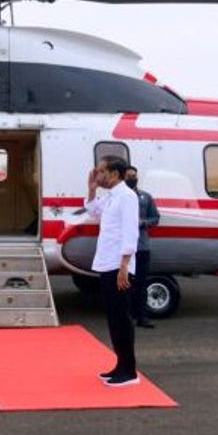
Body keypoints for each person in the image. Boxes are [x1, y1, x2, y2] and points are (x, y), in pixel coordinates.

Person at [85, 155, 140, 387]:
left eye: (101, 172)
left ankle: (129, 372)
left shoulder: (127, 197)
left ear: (114, 174)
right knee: (113, 319)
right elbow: (93, 213)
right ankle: (120, 365)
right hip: (107, 263)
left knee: (121, 319)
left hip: (119, 267)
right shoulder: (111, 197)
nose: (98, 175)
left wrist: (124, 266)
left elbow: (130, 233)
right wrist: (91, 189)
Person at [124, 166, 160, 328]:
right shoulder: (119, 197)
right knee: (125, 283)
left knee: (141, 283)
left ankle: (142, 317)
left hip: (141, 246)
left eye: (134, 176)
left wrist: (143, 222)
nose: (132, 178)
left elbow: (155, 218)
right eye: (129, 176)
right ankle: (127, 316)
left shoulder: (145, 197)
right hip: (124, 247)